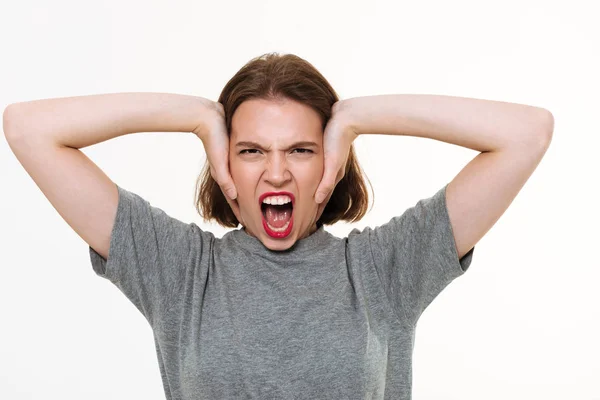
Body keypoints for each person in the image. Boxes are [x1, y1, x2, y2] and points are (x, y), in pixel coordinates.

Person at [4, 52, 481, 399]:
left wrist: (356, 117)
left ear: (331, 164)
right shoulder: (181, 270)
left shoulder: (383, 268)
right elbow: (28, 128)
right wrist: (197, 116)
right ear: (223, 162)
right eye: (252, 150)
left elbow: (526, 135)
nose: (276, 172)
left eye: (301, 149)